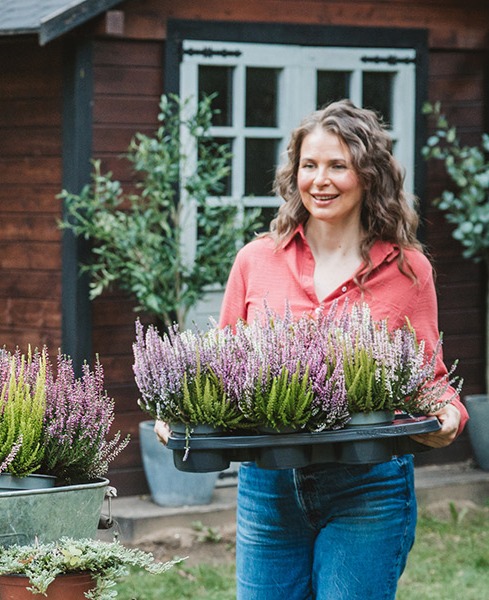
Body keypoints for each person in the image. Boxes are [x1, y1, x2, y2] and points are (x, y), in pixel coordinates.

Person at [161, 100, 465, 599]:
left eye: (338, 165)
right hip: (268, 486)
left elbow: (428, 375)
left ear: (369, 175)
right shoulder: (257, 260)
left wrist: (448, 414)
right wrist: (178, 409)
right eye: (309, 165)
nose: (320, 180)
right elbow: (218, 365)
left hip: (368, 483)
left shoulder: (408, 270)